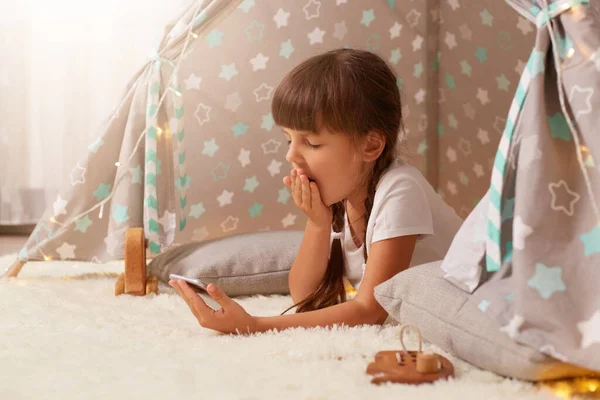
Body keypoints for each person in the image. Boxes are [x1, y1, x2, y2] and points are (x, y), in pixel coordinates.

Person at [169, 48, 463, 334]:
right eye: (288, 140)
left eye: (311, 143)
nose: (291, 156)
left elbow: (371, 310)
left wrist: (255, 325)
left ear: (371, 146)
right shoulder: (343, 197)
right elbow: (304, 296)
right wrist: (317, 223)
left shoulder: (400, 189)